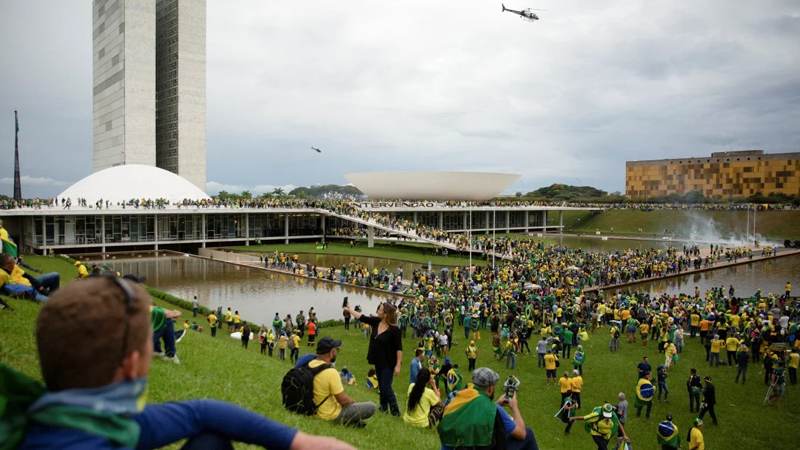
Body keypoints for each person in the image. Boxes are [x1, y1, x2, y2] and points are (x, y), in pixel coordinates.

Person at [11, 277, 354, 450]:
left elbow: (200, 412)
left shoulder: (71, 422)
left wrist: (298, 440)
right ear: (133, 366)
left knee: (209, 438)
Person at [438, 367, 539, 450]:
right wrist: (514, 407)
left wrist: (497, 403)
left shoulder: (453, 396)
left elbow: (473, 410)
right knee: (528, 433)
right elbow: (521, 434)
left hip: (450, 445)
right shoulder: (493, 409)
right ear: (490, 388)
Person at [345, 302, 403, 416]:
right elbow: (362, 317)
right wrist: (350, 309)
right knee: (381, 386)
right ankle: (383, 408)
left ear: (386, 314)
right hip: (378, 361)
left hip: (388, 363)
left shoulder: (394, 330)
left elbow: (399, 349)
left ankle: (395, 412)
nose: (377, 311)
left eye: (380, 310)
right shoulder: (376, 322)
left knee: (386, 387)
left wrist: (398, 365)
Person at [308, 336, 378, 427]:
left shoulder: (310, 364)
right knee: (371, 407)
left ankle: (353, 423)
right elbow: (343, 400)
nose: (336, 352)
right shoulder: (331, 372)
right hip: (329, 415)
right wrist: (353, 403)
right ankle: (350, 421)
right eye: (336, 350)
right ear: (331, 352)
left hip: (315, 410)